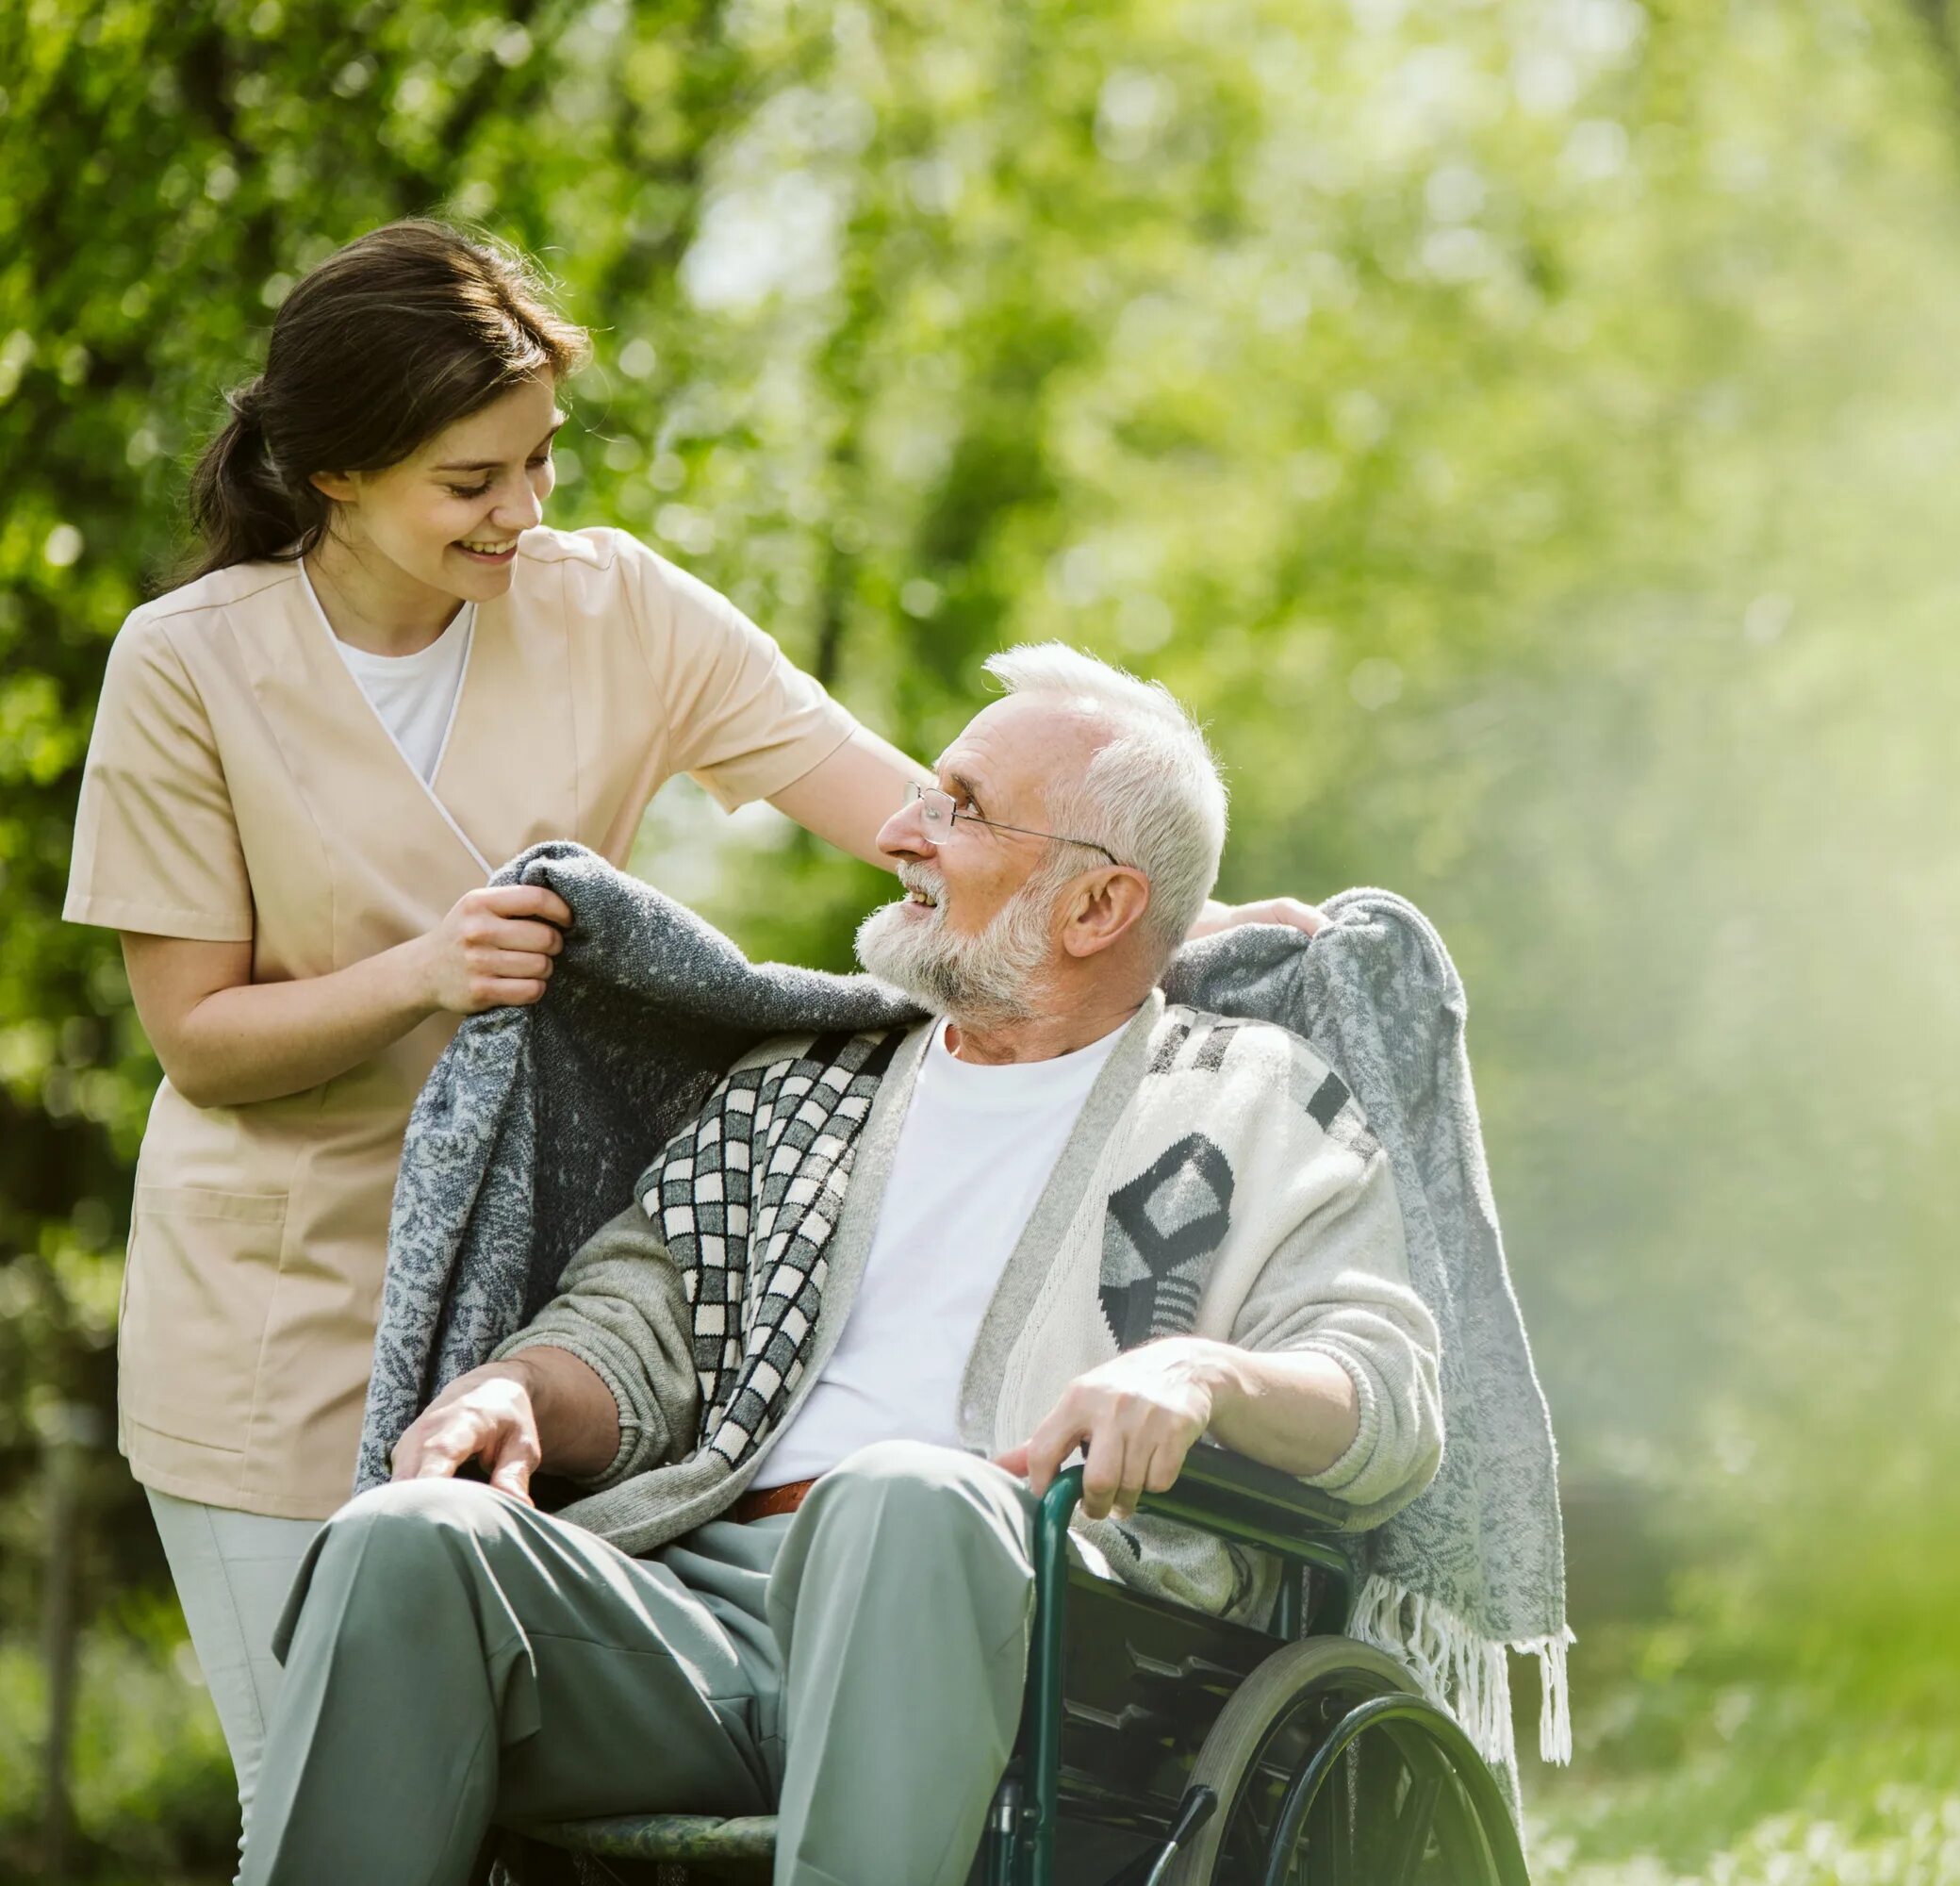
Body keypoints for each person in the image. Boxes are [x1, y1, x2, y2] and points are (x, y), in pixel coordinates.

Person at [58, 221, 1315, 1836]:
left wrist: (1176, 910)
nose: (523, 514)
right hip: (279, 1304)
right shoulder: (186, 666)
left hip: (548, 1291)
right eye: (470, 483)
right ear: (335, 476)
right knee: (310, 1797)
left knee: (501, 1810)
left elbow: (913, 816)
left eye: (539, 465)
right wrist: (428, 973)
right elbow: (201, 1039)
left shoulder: (618, 612)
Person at [236, 645, 1442, 1886]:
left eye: (959, 808)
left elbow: (1387, 1392)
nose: (904, 832)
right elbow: (631, 1326)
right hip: (702, 1620)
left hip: (1050, 1629)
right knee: (410, 1538)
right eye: (926, 793)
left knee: (905, 1495)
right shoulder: (804, 1089)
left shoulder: (1256, 1105)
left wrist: (1205, 1375)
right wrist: (519, 1390)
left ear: (1098, 908)